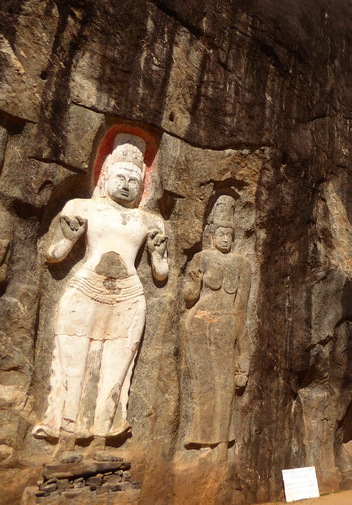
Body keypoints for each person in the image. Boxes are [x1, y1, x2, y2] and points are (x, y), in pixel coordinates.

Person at [33, 134, 168, 448]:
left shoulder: (150, 220)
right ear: (104, 176)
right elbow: (53, 254)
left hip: (129, 297)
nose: (125, 184)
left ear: (143, 185)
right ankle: (65, 439)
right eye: (120, 177)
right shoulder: (82, 207)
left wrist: (157, 253)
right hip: (85, 290)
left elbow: (161, 274)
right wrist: (68, 238)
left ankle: (100, 441)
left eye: (133, 180)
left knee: (117, 369)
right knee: (72, 364)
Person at [181, 195, 250, 455]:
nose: (224, 239)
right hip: (198, 323)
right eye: (220, 234)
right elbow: (189, 298)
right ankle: (201, 439)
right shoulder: (202, 258)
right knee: (202, 382)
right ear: (212, 235)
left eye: (228, 235)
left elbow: (241, 307)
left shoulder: (242, 264)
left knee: (224, 383)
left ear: (234, 237)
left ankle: (222, 442)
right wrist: (195, 282)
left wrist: (244, 352)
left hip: (226, 325)